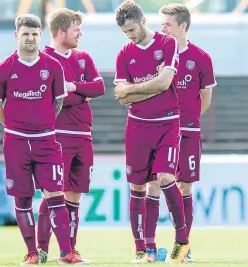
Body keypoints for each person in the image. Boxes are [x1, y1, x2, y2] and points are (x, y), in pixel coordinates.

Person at [0, 13, 86, 265]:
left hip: (46, 140)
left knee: (55, 194)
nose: (30, 39)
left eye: (34, 34)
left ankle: (66, 252)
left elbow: (59, 101)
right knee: (22, 199)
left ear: (40, 35)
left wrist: (42, 123)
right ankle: (32, 253)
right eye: (25, 34)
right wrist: (14, 125)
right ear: (16, 36)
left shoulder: (53, 66)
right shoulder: (3, 69)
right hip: (15, 142)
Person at [113, 0, 189, 263]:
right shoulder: (124, 53)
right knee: (138, 185)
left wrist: (135, 88)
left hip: (167, 121)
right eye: (126, 33)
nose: (130, 36)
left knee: (166, 177)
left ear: (143, 21)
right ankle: (143, 248)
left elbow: (165, 82)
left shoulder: (167, 44)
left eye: (133, 29)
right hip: (136, 125)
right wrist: (152, 85)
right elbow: (121, 97)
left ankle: (182, 242)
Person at [143, 3, 216, 263]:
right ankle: (148, 248)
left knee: (185, 186)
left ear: (183, 26)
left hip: (187, 130)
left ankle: (182, 247)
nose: (161, 28)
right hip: (159, 128)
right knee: (152, 183)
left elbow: (204, 99)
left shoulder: (201, 57)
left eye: (167, 24)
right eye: (161, 23)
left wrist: (188, 119)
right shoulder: (155, 53)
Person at [36, 8, 105, 263]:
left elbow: (99, 88)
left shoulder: (83, 57)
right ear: (61, 32)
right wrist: (81, 96)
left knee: (74, 195)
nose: (80, 34)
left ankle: (69, 251)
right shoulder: (43, 59)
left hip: (83, 135)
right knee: (52, 194)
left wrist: (74, 87)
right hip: (57, 136)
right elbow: (52, 100)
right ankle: (41, 249)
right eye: (76, 29)